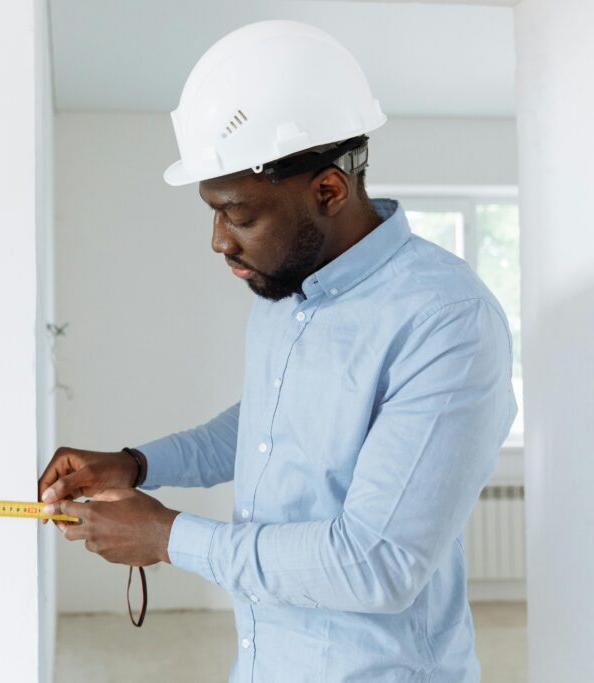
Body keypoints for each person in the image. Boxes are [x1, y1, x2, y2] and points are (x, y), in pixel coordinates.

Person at [37, 20, 517, 682]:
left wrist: (167, 536)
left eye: (237, 214)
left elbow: (376, 562)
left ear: (326, 191)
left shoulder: (446, 321)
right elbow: (263, 424)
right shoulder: (285, 291)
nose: (218, 241)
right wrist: (138, 463)